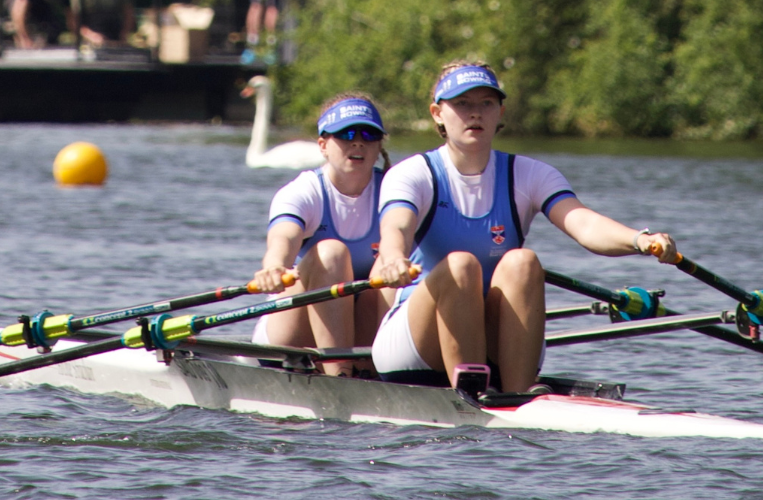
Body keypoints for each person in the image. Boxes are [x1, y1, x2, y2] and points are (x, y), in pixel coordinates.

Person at [368, 62, 678, 394]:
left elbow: (583, 223)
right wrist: (394, 258)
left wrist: (639, 239)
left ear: (500, 111)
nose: (475, 114)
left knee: (524, 262)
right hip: (413, 348)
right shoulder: (412, 174)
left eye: (486, 103)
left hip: (491, 336)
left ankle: (518, 396)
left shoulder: (528, 175)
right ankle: (475, 393)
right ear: (437, 114)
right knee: (461, 265)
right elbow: (396, 227)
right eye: (462, 104)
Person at [248, 94, 392, 377]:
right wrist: (273, 266)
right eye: (346, 133)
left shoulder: (397, 192)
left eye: (369, 134)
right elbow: (283, 239)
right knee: (331, 253)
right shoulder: (303, 192)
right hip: (292, 337)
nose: (358, 142)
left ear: (379, 146)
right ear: (323, 146)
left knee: (391, 258)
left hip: (362, 327)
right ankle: (341, 376)